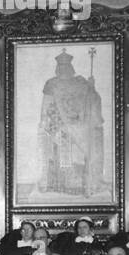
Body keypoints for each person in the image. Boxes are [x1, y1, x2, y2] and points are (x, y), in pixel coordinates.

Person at [37, 49, 105, 198]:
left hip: (80, 125)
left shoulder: (81, 82)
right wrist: (49, 122)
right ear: (57, 68)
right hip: (59, 125)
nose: (63, 69)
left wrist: (92, 88)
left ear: (71, 67)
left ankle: (83, 185)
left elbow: (92, 101)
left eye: (66, 66)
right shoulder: (51, 84)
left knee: (83, 148)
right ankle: (63, 185)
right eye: (60, 67)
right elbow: (46, 106)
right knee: (62, 146)